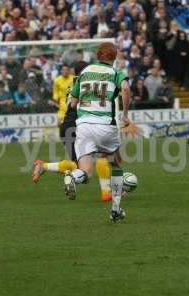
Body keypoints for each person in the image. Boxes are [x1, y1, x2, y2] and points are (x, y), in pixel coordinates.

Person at [32, 62, 120, 203]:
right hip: (78, 127)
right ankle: (108, 192)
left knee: (89, 164)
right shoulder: (87, 84)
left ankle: (107, 193)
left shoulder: (75, 84)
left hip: (72, 126)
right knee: (88, 167)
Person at [64, 42, 131, 222]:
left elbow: (73, 101)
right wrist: (125, 115)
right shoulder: (115, 73)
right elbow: (125, 89)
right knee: (116, 164)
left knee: (85, 170)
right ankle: (116, 208)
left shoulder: (84, 72)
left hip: (84, 125)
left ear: (98, 55)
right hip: (105, 125)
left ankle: (73, 177)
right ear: (114, 56)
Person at [53, 64, 74, 128]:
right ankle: (63, 136)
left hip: (72, 106)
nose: (65, 71)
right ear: (61, 71)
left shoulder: (73, 79)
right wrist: (55, 101)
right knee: (59, 124)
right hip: (62, 106)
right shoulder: (57, 80)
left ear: (69, 71)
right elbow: (55, 93)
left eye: (66, 70)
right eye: (63, 70)